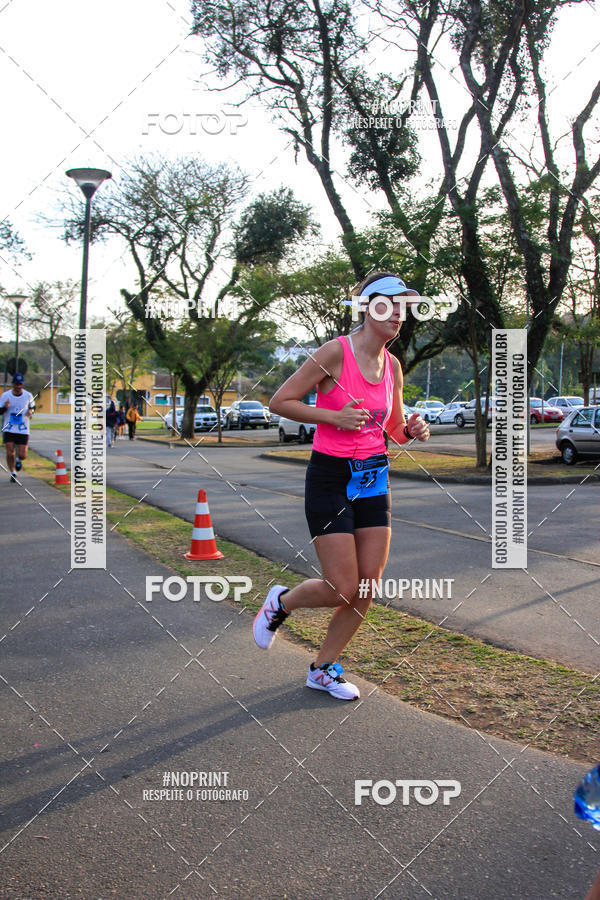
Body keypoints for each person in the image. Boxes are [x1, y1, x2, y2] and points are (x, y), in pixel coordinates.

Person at [253, 272, 430, 700]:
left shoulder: (392, 366)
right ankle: (281, 603)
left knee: (368, 585)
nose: (400, 315)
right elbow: (280, 401)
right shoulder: (335, 352)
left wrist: (411, 430)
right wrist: (333, 416)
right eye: (392, 304)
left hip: (374, 477)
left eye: (406, 308)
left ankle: (323, 668)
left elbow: (391, 427)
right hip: (331, 477)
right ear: (369, 306)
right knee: (341, 587)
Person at [1, 373, 35, 483]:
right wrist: (5, 407)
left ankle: (18, 459)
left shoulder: (28, 395)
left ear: (22, 384)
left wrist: (31, 411)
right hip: (9, 428)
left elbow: (33, 408)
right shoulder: (5, 396)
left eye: (20, 384)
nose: (18, 386)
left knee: (22, 455)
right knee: (9, 451)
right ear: (13, 384)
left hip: (23, 429)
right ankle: (12, 472)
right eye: (16, 384)